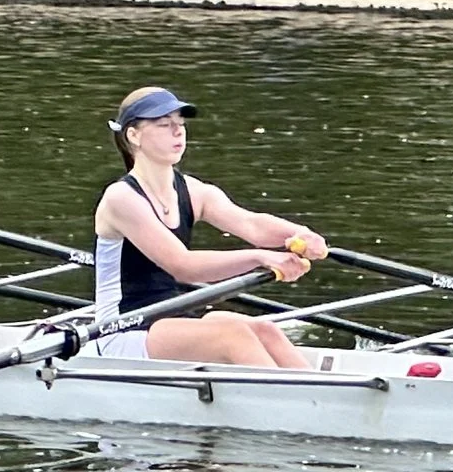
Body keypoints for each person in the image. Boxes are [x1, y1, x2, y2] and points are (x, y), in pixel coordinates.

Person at [91, 86, 323, 366]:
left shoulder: (193, 191)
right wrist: (259, 257)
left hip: (171, 318)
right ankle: (295, 404)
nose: (178, 132)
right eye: (165, 125)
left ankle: (321, 401)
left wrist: (299, 234)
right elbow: (182, 265)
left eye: (180, 124)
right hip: (122, 328)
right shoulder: (121, 198)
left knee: (264, 330)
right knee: (232, 335)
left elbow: (252, 224)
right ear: (133, 135)